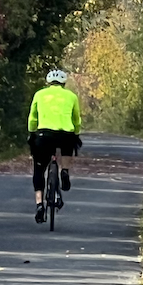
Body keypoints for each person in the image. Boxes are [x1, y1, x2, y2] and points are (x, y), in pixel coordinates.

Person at [28, 68, 82, 223]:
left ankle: (39, 204)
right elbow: (76, 119)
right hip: (65, 134)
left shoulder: (39, 94)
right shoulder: (71, 96)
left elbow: (32, 117)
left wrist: (32, 133)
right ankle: (64, 171)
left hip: (44, 134)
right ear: (64, 83)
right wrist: (76, 133)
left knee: (39, 170)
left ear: (48, 82)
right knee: (68, 145)